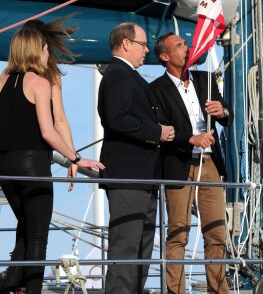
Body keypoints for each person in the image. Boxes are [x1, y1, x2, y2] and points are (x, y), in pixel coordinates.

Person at [0, 28, 105, 294]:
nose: (50, 54)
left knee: (25, 226)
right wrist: (76, 157)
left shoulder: (2, 80)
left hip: (5, 168)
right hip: (33, 165)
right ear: (37, 50)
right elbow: (49, 131)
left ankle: (13, 286)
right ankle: (31, 288)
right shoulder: (39, 82)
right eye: (47, 49)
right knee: (37, 235)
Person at [150, 32, 233, 294]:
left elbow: (226, 115)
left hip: (209, 163)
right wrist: (191, 139)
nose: (187, 48)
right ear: (165, 56)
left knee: (216, 232)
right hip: (179, 163)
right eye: (179, 45)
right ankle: (176, 291)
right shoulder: (155, 89)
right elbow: (161, 129)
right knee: (178, 231)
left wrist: (224, 111)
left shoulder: (205, 78)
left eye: (186, 44)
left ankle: (218, 290)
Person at [97, 22, 175, 294]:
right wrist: (157, 131)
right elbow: (116, 118)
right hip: (128, 176)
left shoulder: (127, 75)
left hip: (142, 176)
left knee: (142, 247)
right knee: (128, 247)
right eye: (142, 45)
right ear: (126, 43)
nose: (146, 51)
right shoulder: (119, 74)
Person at [21, 16, 79, 192]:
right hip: (37, 157)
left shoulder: (8, 77)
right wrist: (73, 157)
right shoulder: (50, 75)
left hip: (8, 157)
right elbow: (59, 119)